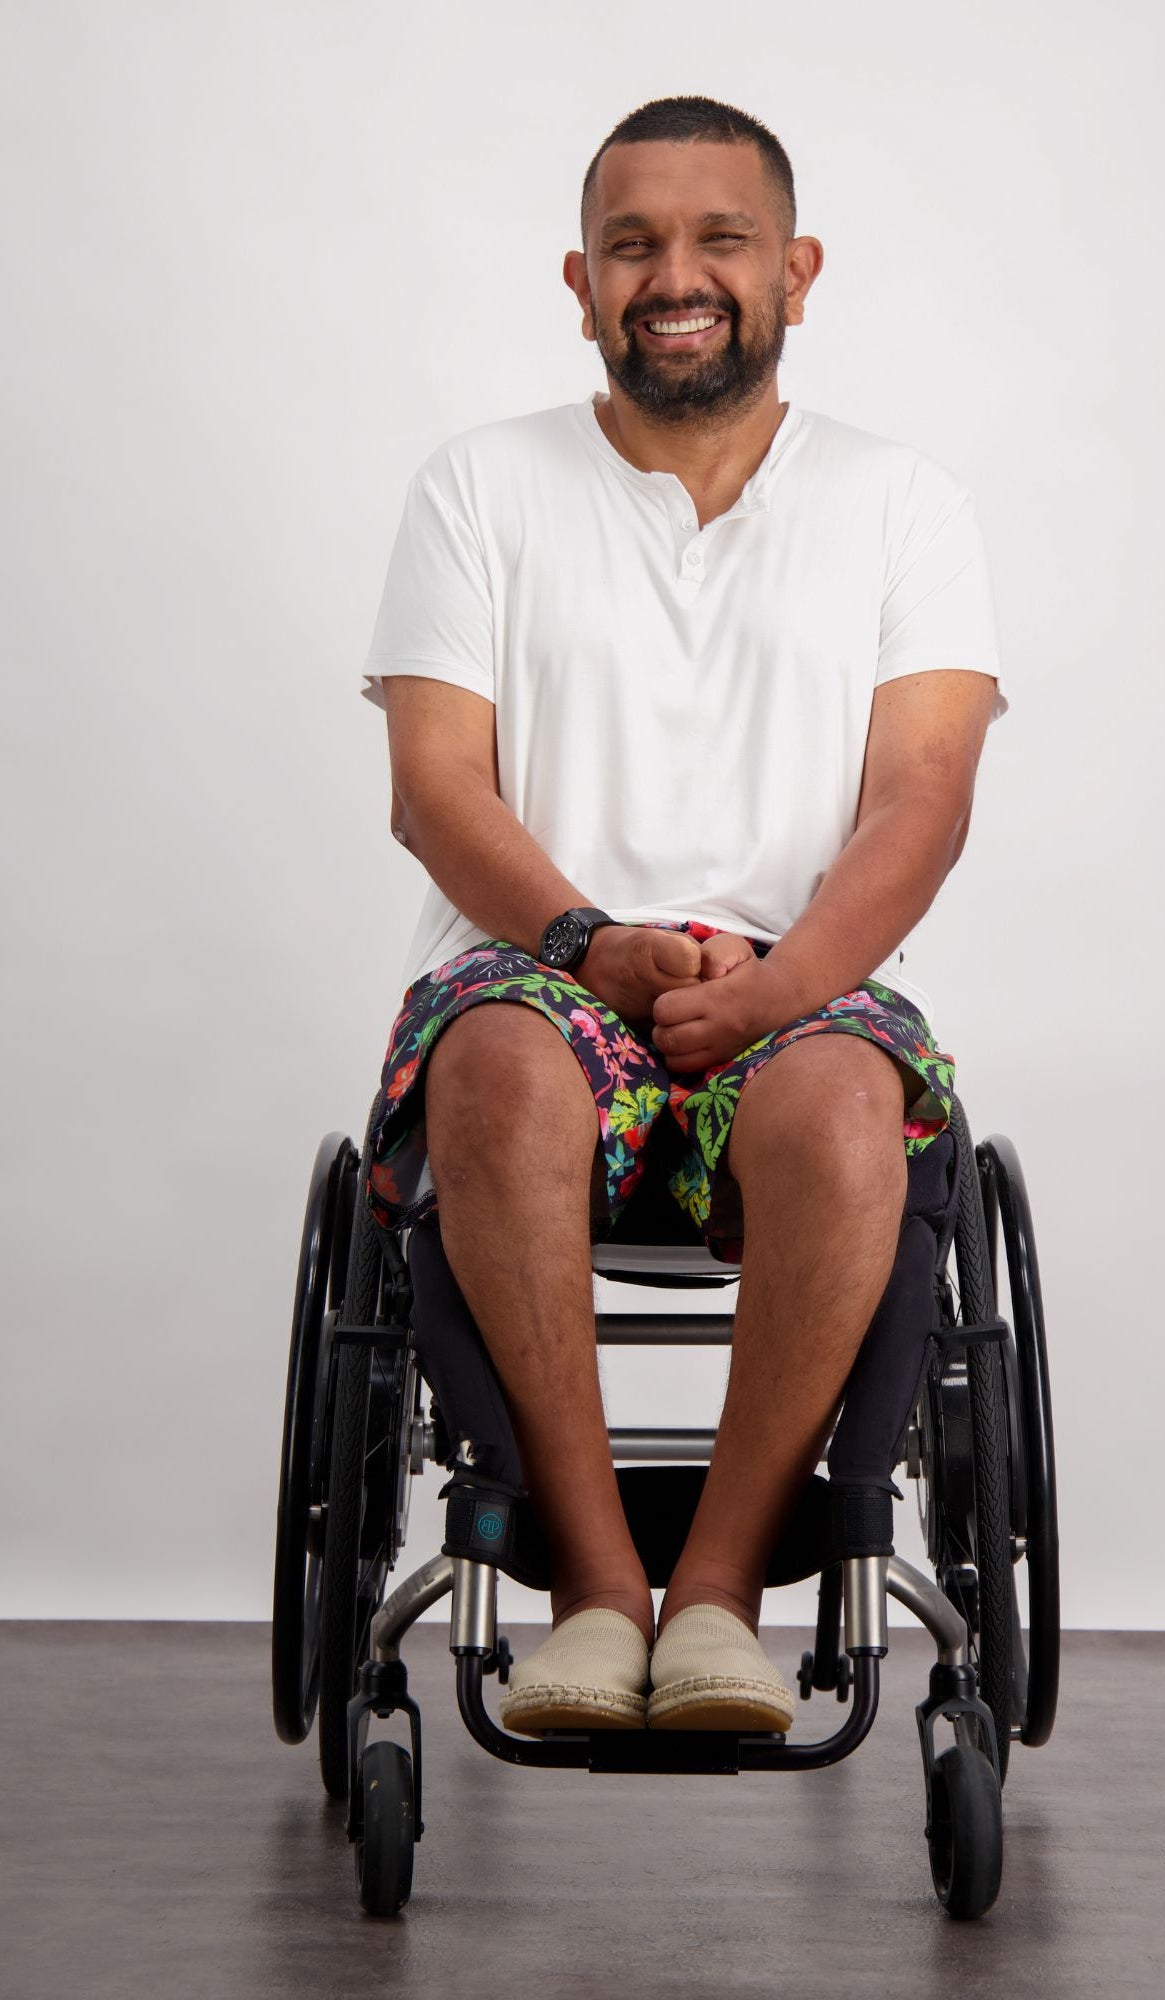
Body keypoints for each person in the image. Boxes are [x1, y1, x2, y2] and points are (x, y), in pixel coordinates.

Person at [358, 95, 1006, 1737]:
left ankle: (713, 1596)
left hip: (804, 981)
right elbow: (438, 789)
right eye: (635, 244)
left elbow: (922, 798)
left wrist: (784, 985)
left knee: (858, 1100)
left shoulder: (901, 502)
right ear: (580, 282)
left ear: (794, 269)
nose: (677, 274)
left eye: (720, 239)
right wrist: (587, 946)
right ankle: (592, 1589)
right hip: (543, 970)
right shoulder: (480, 487)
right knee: (497, 1062)